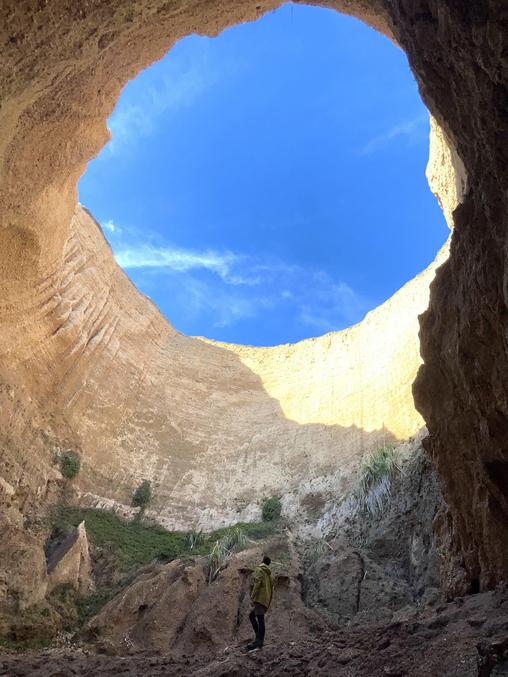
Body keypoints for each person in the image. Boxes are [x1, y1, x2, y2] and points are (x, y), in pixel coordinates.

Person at [247, 555, 274, 651]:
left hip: (259, 599)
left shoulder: (260, 570)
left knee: (260, 619)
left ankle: (259, 641)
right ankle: (258, 639)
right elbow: (272, 590)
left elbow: (257, 583)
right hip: (265, 600)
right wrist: (268, 602)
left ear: (262, 561)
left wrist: (252, 597)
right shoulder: (270, 575)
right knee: (253, 616)